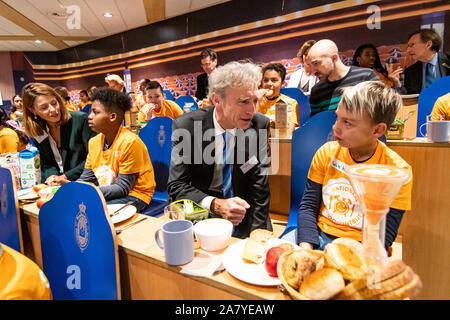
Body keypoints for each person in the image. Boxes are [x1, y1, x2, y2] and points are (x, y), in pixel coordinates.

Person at [296, 81, 412, 251]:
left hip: (362, 246)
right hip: (319, 236)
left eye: (348, 123)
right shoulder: (326, 152)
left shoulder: (398, 171)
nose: (336, 127)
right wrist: (306, 250)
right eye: (337, 118)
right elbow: (308, 206)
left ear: (377, 130)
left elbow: (385, 233)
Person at [168, 61, 272, 238]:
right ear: (217, 100)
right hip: (200, 204)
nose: (252, 110)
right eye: (244, 101)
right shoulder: (187, 126)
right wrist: (216, 204)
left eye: (255, 100)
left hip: (242, 205)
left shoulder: (259, 125)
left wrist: (257, 237)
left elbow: (259, 187)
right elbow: (176, 186)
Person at [77, 88, 156, 212]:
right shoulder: (94, 142)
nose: (90, 116)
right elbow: (86, 178)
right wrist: (72, 189)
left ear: (112, 117)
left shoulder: (130, 142)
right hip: (112, 193)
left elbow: (123, 188)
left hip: (136, 196)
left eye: (95, 112)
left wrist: (89, 192)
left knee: (90, 210)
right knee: (76, 204)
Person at [22, 83, 97, 186]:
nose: (53, 110)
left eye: (54, 103)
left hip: (84, 183)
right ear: (32, 110)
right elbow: (46, 164)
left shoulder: (81, 120)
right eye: (44, 108)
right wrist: (53, 179)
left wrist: (65, 177)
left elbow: (94, 157)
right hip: (57, 187)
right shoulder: (38, 130)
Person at [307, 39, 379, 117]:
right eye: (310, 65)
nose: (313, 71)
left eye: (316, 63)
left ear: (334, 58)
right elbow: (317, 123)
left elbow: (382, 111)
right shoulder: (317, 91)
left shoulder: (366, 76)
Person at [403, 28, 450, 94]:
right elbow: (408, 96)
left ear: (428, 44)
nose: (408, 50)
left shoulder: (448, 61)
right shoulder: (410, 71)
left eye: (412, 45)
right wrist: (397, 84)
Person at [258, 63, 299, 136]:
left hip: (277, 144)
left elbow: (288, 133)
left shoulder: (289, 102)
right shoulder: (255, 101)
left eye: (274, 80)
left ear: (282, 83)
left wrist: (264, 131)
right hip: (257, 144)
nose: (269, 83)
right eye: (266, 80)